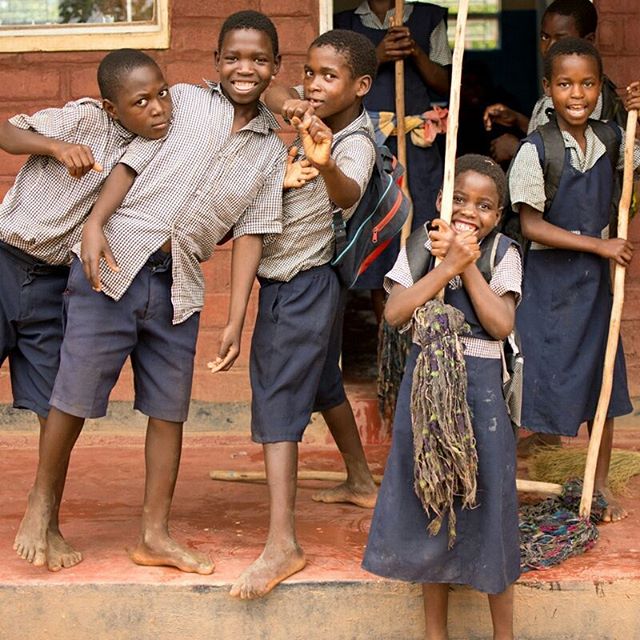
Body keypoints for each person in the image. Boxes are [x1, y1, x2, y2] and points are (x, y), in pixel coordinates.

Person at [14, 10, 290, 574]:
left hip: (180, 289)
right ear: (214, 64)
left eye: (259, 60)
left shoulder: (269, 152)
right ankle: (42, 504)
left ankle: (154, 534)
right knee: (73, 393)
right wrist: (94, 222)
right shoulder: (184, 102)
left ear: (275, 68)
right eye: (233, 58)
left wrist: (236, 317)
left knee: (169, 411)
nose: (245, 68)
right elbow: (130, 163)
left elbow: (252, 235)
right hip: (114, 265)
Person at [3, 48, 169, 572]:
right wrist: (54, 146)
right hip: (5, 261)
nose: (158, 108)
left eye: (161, 94)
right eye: (141, 101)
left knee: (57, 408)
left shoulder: (159, 149)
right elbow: (5, 131)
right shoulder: (81, 117)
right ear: (110, 107)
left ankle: (46, 517)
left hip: (58, 286)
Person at [229, 29, 380, 600]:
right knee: (321, 383)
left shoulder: (355, 142)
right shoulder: (309, 106)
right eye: (310, 73)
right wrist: (293, 102)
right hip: (308, 286)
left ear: (361, 86)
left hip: (300, 284)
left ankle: (281, 542)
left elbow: (347, 193)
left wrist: (324, 160)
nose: (314, 85)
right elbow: (269, 89)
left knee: (277, 401)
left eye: (329, 77)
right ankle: (362, 480)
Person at [363, 155, 522, 640]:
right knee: (432, 502)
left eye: (484, 205)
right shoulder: (417, 248)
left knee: (490, 505)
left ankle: (504, 634)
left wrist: (467, 266)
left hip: (482, 399)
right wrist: (445, 265)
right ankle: (436, 633)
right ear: (440, 200)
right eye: (458, 199)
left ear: (497, 216)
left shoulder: (503, 254)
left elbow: (500, 323)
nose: (469, 211)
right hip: (426, 395)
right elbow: (394, 313)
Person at [509, 38, 640, 522]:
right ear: (549, 89)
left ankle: (598, 487)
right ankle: (507, 480)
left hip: (594, 290)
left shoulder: (610, 138)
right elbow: (531, 225)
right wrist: (600, 245)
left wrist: (635, 121)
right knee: (532, 381)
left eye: (587, 84)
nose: (577, 94)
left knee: (599, 382)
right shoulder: (535, 149)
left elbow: (634, 173)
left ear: (601, 89)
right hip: (545, 286)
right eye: (565, 84)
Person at [334, 0, 451, 323]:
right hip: (374, 148)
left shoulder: (428, 17)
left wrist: (416, 54)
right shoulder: (345, 22)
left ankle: (419, 335)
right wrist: (378, 54)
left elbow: (445, 82)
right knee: (380, 231)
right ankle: (387, 340)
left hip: (418, 147)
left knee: (422, 227)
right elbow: (338, 79)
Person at [484, 0, 628, 165]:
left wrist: (516, 148)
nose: (549, 47)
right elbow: (554, 131)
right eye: (545, 37)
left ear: (589, 40)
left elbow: (576, 161)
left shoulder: (584, 97)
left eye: (560, 39)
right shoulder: (557, 89)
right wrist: (519, 120)